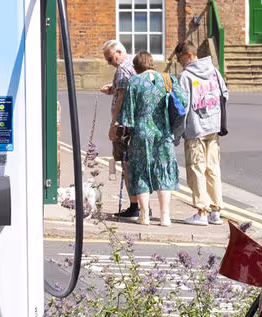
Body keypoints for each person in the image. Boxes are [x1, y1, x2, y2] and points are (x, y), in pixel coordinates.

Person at [117, 51, 183, 226]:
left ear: (136, 67)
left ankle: (144, 215)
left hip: (141, 133)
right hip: (164, 132)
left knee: (140, 171)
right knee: (164, 172)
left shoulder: (134, 81)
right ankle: (165, 216)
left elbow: (127, 113)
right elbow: (183, 101)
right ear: (152, 63)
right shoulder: (168, 79)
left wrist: (122, 128)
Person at [171, 41, 228, 225]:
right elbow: (224, 95)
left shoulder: (185, 77)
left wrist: (176, 134)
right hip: (213, 127)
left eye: (180, 59)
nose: (180, 63)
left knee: (196, 169)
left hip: (195, 130)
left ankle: (201, 212)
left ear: (188, 55)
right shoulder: (213, 71)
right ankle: (215, 211)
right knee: (213, 169)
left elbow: (183, 108)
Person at [97, 40, 138, 218]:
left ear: (120, 52)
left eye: (110, 58)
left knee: (127, 165)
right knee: (137, 165)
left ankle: (134, 206)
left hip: (124, 125)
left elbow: (122, 97)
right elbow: (125, 90)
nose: (109, 62)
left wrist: (113, 125)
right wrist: (113, 88)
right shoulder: (136, 65)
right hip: (137, 123)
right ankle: (142, 205)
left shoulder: (122, 70)